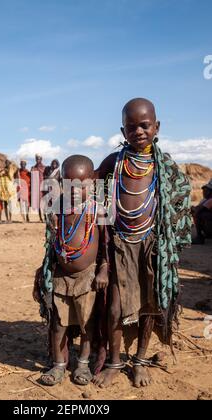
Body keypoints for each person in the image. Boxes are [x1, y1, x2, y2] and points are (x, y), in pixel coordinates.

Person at [93, 98, 192, 389]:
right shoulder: (115, 162)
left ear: (156, 127)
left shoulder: (164, 165)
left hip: (152, 245)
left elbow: (180, 195)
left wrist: (170, 236)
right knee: (114, 308)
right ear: (123, 131)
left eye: (144, 125)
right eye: (131, 126)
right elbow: (95, 190)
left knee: (149, 306)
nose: (138, 131)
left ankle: (139, 360)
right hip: (120, 244)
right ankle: (114, 362)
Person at [34, 155, 108, 386]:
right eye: (69, 182)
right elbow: (50, 244)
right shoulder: (58, 209)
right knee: (58, 324)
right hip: (60, 277)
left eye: (82, 183)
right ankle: (59, 364)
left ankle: (83, 363)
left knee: (87, 323)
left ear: (93, 183)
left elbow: (106, 245)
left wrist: (104, 269)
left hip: (87, 277)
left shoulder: (98, 210)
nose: (75, 189)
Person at [191, 179, 212, 244]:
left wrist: (194, 209)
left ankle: (199, 237)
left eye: (206, 190)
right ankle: (207, 234)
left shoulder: (211, 200)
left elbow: (198, 209)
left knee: (200, 214)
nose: (204, 192)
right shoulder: (205, 199)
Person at [31, 154, 46, 223]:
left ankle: (46, 217)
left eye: (39, 158)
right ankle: (40, 218)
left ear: (41, 159)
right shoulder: (33, 168)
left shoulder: (44, 168)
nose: (38, 160)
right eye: (37, 159)